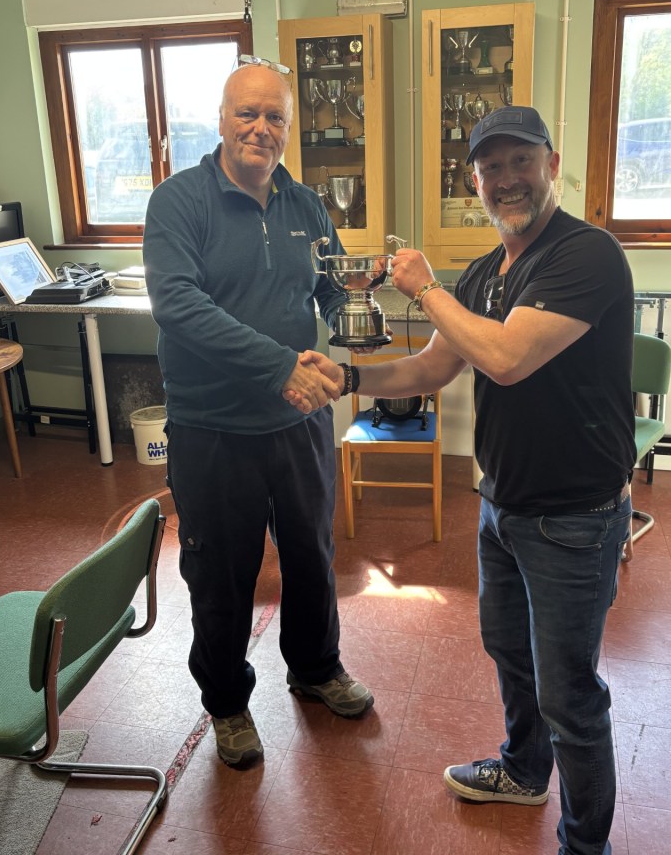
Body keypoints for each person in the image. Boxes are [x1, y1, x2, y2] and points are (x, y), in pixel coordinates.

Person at [291, 106, 635, 855]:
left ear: (551, 164)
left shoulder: (588, 254)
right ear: (474, 181)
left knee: (570, 695)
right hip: (502, 502)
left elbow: (506, 358)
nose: (507, 179)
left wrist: (424, 289)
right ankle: (524, 770)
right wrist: (348, 377)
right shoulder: (483, 274)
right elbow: (429, 368)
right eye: (490, 167)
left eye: (521, 162)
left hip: (575, 516)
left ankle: (586, 846)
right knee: (510, 654)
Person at [143, 57, 373, 771]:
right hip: (214, 428)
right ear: (221, 119)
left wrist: (355, 307)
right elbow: (179, 306)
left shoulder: (306, 205)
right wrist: (280, 368)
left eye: (275, 116)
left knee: (312, 558)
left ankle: (315, 666)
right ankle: (227, 704)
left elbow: (329, 286)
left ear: (289, 128)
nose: (260, 128)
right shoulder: (179, 202)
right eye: (247, 113)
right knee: (220, 575)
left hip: (300, 422)